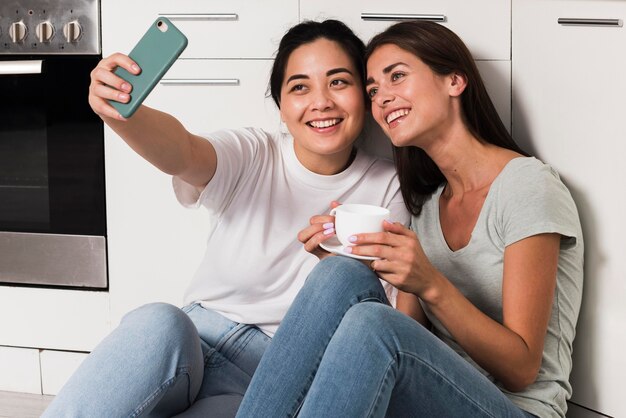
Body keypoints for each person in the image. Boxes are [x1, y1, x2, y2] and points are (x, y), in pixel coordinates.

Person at [42, 20, 410, 418]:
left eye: (338, 82)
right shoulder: (254, 152)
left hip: (269, 380)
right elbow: (183, 152)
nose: (320, 102)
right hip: (188, 343)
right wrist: (123, 115)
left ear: (364, 93)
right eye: (300, 87)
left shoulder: (388, 188)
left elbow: (388, 322)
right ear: (281, 105)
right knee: (157, 321)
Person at [236, 21, 584, 418]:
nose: (382, 98)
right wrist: (371, 269)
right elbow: (408, 336)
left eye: (396, 76)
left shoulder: (526, 185)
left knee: (373, 325)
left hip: (515, 409)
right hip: (431, 397)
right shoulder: (429, 206)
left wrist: (430, 283)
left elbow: (522, 370)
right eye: (372, 91)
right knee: (340, 276)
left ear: (454, 80)